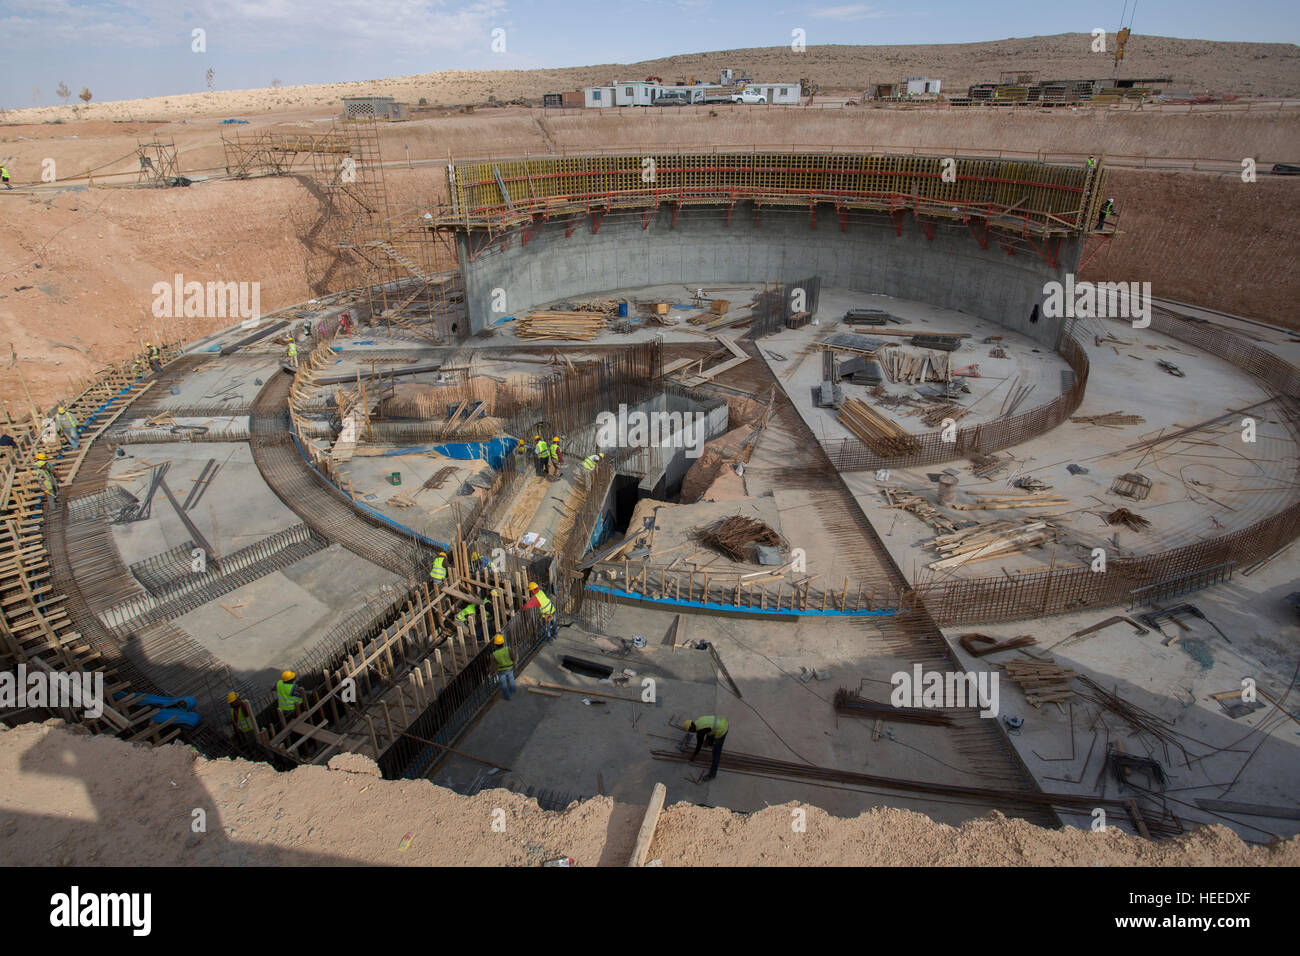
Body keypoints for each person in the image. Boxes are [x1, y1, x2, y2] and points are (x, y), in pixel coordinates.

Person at [684, 715, 729, 781]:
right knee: (709, 740)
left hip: (722, 730)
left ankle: (712, 774)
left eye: (690, 731)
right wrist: (706, 741)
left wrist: (693, 756)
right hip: (723, 722)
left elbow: (699, 745)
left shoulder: (700, 732)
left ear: (691, 729)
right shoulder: (698, 721)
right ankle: (710, 743)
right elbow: (709, 728)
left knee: (716, 753)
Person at [492, 634, 516, 700]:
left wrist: (494, 672)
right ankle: (513, 690)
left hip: (501, 670)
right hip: (510, 668)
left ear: (495, 645)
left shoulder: (495, 654)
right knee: (511, 678)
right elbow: (513, 657)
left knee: (503, 684)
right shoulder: (508, 649)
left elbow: (494, 665)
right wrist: (515, 663)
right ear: (503, 642)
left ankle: (507, 696)